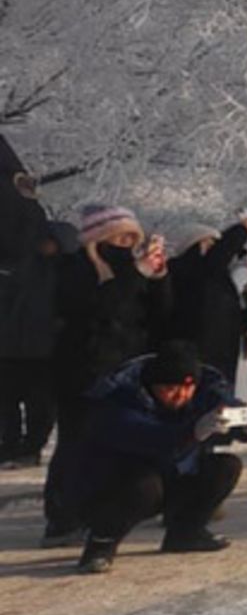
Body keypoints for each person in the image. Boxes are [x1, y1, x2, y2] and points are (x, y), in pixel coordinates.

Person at [69, 340, 247, 575]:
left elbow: (223, 405)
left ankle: (186, 532)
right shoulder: (119, 398)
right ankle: (101, 544)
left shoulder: (206, 387)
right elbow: (151, 438)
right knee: (145, 486)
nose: (180, 395)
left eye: (187, 388)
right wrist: (193, 431)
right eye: (171, 389)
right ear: (153, 385)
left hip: (173, 475)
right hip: (112, 486)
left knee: (226, 466)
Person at [44, 205, 173, 543]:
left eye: (133, 237)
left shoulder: (130, 270)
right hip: (82, 368)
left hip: (125, 368)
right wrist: (136, 275)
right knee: (76, 442)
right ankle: (62, 517)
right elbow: (97, 310)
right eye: (120, 236)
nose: (127, 243)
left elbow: (158, 315)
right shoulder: (77, 268)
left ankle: (103, 509)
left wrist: (158, 278)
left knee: (119, 441)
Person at [1, 221, 68, 467]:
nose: (43, 244)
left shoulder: (66, 271)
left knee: (39, 405)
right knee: (6, 401)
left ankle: (31, 447)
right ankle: (9, 444)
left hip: (45, 351)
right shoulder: (25, 267)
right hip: (12, 347)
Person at [166, 217, 247, 383]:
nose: (216, 248)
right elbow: (220, 255)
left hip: (218, 354)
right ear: (194, 244)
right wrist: (242, 230)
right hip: (197, 357)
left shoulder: (216, 277)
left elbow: (224, 317)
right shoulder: (191, 269)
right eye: (211, 243)